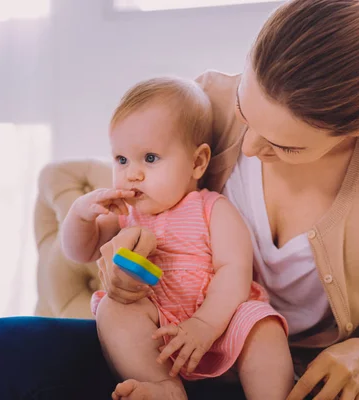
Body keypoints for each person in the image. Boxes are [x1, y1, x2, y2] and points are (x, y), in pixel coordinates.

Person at [0, 1, 359, 399]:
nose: (248, 149)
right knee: (2, 346)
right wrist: (120, 274)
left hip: (289, 369)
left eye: (286, 147)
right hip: (171, 344)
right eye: (247, 108)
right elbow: (142, 205)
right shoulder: (205, 103)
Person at [60, 77, 293, 399]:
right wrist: (80, 215)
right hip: (155, 331)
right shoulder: (124, 213)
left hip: (220, 325)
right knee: (114, 310)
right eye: (121, 160)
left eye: (150, 158)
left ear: (197, 162)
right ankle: (163, 387)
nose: (132, 174)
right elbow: (80, 251)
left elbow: (234, 271)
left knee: (262, 324)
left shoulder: (213, 208)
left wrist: (205, 325)